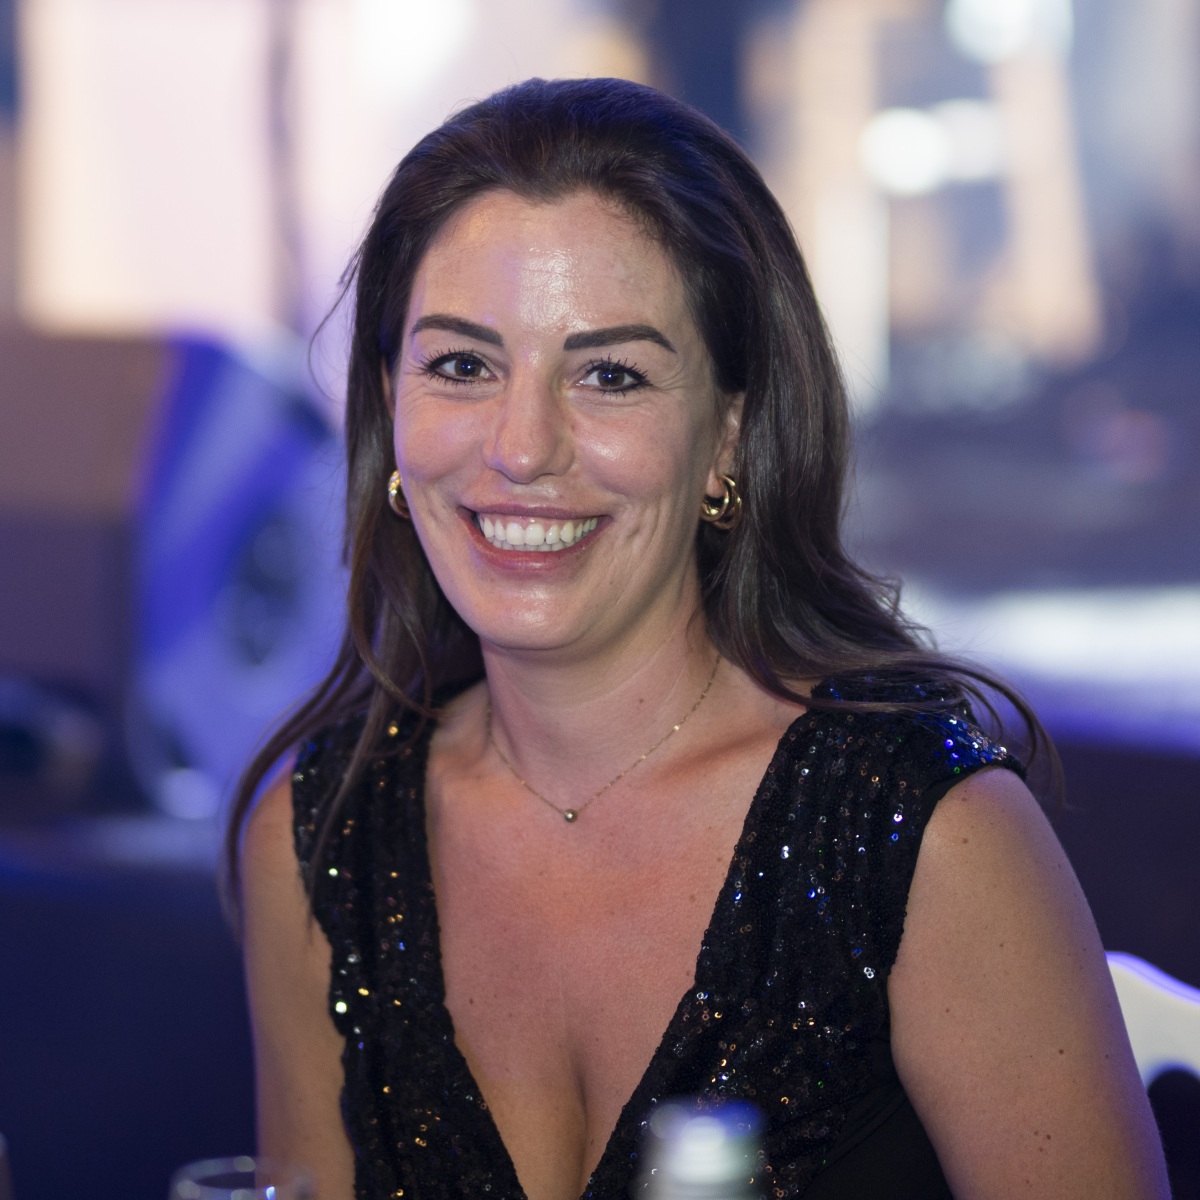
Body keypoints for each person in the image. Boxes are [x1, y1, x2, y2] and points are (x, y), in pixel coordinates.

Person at [227, 78, 1168, 1200]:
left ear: (729, 434)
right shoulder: (321, 838)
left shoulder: (925, 836)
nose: (521, 448)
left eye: (609, 375)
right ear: (391, 407)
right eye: (463, 366)